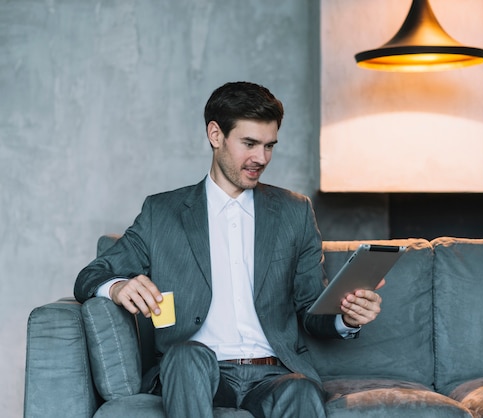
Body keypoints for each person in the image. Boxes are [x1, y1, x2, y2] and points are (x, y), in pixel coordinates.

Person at [74, 81, 384, 418]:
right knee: (186, 355)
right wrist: (118, 287)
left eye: (269, 146)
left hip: (274, 373)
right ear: (215, 134)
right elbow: (91, 276)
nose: (261, 158)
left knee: (300, 390)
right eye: (249, 143)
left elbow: (310, 308)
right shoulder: (162, 213)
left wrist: (345, 318)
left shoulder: (294, 212)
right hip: (196, 370)